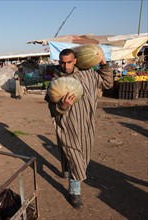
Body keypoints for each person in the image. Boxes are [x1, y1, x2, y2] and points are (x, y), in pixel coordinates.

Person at [44, 49, 113, 209]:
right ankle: (74, 192)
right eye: (62, 62)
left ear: (75, 60)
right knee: (76, 159)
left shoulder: (88, 74)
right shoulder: (56, 81)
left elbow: (108, 84)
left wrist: (103, 62)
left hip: (86, 125)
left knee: (84, 155)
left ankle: (67, 170)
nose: (65, 66)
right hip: (67, 126)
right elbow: (52, 109)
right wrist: (62, 106)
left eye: (69, 62)